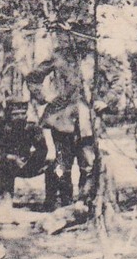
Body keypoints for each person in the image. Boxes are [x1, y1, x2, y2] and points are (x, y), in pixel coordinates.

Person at [28, 64, 100, 211]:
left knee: (88, 166)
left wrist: (105, 101)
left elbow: (117, 78)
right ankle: (63, 203)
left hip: (87, 121)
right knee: (60, 166)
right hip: (61, 121)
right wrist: (43, 97)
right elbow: (33, 77)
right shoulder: (59, 56)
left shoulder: (94, 54)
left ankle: (84, 204)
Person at [0, 95, 49, 209]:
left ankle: (52, 201)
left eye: (22, 113)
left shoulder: (31, 127)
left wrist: (30, 160)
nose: (19, 117)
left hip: (25, 163)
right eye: (15, 114)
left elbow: (42, 149)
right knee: (6, 166)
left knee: (56, 166)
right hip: (3, 163)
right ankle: (4, 198)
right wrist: (8, 157)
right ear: (8, 114)